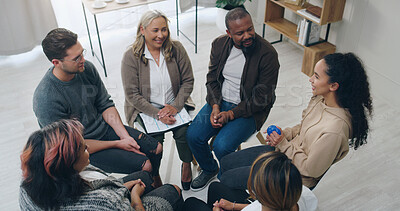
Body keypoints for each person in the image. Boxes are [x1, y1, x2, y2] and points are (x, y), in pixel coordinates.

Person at [219, 52, 373, 190]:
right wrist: (284, 134)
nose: (311, 79)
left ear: (333, 86)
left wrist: (282, 143)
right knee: (226, 163)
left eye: (317, 77)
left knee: (226, 179)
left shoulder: (335, 131)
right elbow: (303, 126)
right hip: (285, 153)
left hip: (293, 176)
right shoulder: (321, 99)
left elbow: (311, 170)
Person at [33, 28, 163, 186]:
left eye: (82, 52)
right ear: (56, 63)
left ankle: (155, 183)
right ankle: (142, 196)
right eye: (76, 58)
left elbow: (105, 104)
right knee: (145, 165)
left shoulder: (86, 68)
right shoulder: (46, 98)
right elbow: (71, 147)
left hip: (105, 130)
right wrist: (117, 144)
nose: (83, 59)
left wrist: (124, 136)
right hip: (83, 148)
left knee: (156, 148)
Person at [186, 7, 280, 191]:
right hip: (220, 102)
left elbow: (262, 99)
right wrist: (215, 106)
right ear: (228, 33)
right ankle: (209, 169)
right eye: (240, 33)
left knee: (222, 147)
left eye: (250, 29)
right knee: (193, 136)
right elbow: (212, 79)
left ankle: (226, 179)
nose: (247, 35)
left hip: (250, 110)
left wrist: (230, 114)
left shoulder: (267, 54)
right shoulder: (219, 45)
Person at [19, 119, 183, 210]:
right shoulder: (104, 202)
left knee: (144, 176)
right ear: (69, 166)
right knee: (172, 190)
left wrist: (122, 187)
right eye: (83, 148)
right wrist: (135, 197)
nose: (88, 148)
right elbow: (110, 202)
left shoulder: (27, 186)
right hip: (125, 205)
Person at [121, 10, 195, 190]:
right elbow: (132, 94)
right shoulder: (131, 57)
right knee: (153, 144)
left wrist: (175, 107)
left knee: (185, 133)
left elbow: (188, 80)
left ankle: (186, 164)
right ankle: (154, 174)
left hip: (174, 103)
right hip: (145, 110)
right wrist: (158, 114)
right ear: (142, 30)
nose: (160, 35)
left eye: (164, 29)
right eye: (155, 30)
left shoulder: (176, 49)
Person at [182, 151, 318, 211]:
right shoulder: (302, 195)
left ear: (256, 193)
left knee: (191, 203)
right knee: (215, 188)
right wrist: (233, 206)